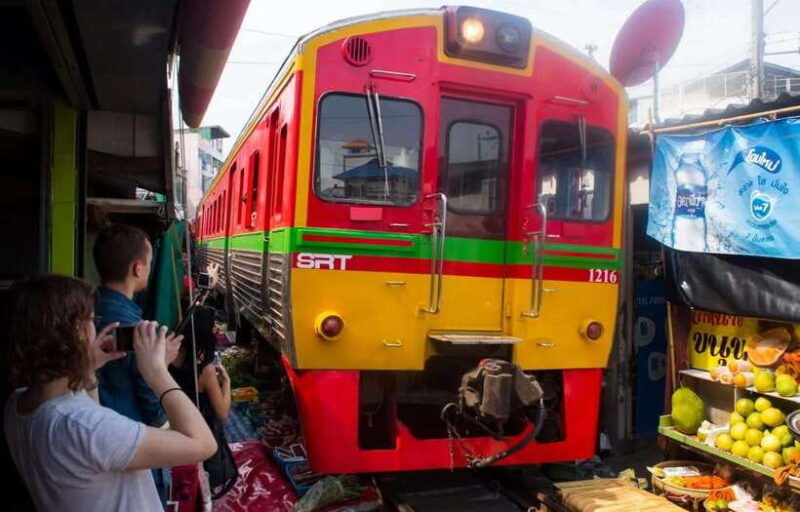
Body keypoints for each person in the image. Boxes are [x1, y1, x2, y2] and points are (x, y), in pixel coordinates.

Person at [4, 275, 217, 511]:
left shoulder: (18, 403)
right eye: (90, 320)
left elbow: (90, 432)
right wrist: (157, 371)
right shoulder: (84, 427)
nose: (95, 328)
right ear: (72, 332)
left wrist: (88, 370)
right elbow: (203, 443)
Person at [92, 224, 169, 503]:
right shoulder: (136, 330)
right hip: (130, 444)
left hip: (94, 441)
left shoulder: (84, 312)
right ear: (138, 268)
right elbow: (153, 407)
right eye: (149, 262)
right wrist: (160, 367)